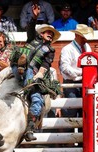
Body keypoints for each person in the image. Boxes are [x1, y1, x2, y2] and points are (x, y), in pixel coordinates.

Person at [11, 4, 61, 141]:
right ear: (41, 34)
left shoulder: (50, 51)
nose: (50, 35)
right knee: (23, 69)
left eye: (52, 34)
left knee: (37, 99)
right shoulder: (32, 38)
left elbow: (46, 64)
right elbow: (30, 28)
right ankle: (21, 68)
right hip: (20, 69)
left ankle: (29, 129)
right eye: (48, 33)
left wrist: (39, 75)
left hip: (33, 74)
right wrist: (34, 17)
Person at [59, 24, 93, 119]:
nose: (85, 39)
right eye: (83, 36)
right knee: (71, 111)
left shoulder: (87, 47)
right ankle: (67, 132)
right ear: (77, 35)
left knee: (85, 110)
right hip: (72, 83)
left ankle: (82, 133)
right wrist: (81, 73)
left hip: (84, 82)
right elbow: (64, 67)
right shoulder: (67, 49)